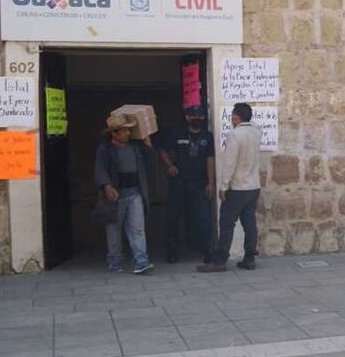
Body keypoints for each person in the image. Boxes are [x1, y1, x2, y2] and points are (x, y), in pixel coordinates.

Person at [197, 102, 261, 273]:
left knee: (226, 223)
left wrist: (223, 186)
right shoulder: (256, 132)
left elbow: (230, 163)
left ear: (236, 117)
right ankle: (249, 258)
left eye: (232, 115)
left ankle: (219, 260)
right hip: (254, 186)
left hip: (238, 187)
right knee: (249, 222)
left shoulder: (235, 135)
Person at [95, 113, 155, 274]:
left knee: (137, 229)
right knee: (114, 230)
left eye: (128, 131)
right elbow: (100, 171)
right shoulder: (105, 150)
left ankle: (141, 261)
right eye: (123, 131)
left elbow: (151, 160)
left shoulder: (135, 147)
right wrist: (107, 186)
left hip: (135, 193)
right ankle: (114, 261)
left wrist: (147, 141)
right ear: (114, 134)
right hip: (116, 195)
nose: (128, 133)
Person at [158, 106, 216, 264]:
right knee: (173, 217)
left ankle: (208, 251)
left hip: (200, 183)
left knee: (203, 218)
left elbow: (210, 159)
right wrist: (169, 165)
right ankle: (172, 250)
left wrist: (211, 183)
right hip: (179, 182)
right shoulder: (177, 134)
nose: (198, 118)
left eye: (200, 116)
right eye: (194, 116)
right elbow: (162, 151)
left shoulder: (207, 136)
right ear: (187, 118)